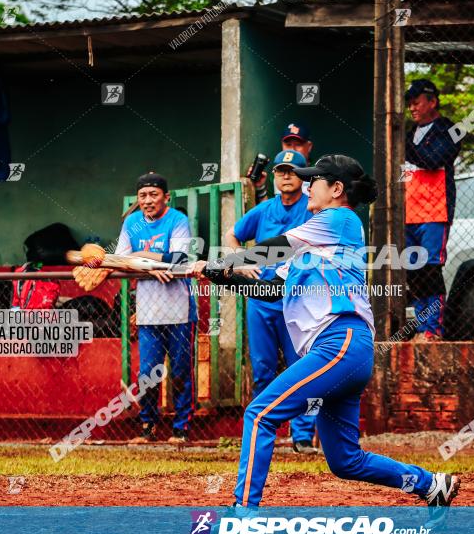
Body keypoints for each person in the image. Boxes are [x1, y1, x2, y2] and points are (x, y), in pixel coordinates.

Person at [192, 154, 459, 513]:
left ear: (336, 189)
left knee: (260, 413)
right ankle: (431, 485)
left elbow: (272, 250)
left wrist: (217, 263)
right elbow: (270, 290)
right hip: (344, 351)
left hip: (340, 342)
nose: (306, 186)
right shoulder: (317, 243)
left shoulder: (339, 219)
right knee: (345, 461)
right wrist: (222, 277)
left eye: (313, 180)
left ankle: (243, 511)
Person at [224, 150, 318, 454]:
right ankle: (264, 432)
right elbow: (232, 234)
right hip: (262, 298)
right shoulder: (265, 209)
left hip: (298, 299)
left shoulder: (313, 209)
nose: (286, 176)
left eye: (292, 171)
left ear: (304, 178)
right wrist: (240, 262)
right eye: (280, 171)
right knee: (263, 368)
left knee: (301, 367)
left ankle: (302, 436)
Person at [114, 172, 197, 443]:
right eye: (143, 196)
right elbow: (120, 261)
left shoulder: (178, 219)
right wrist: (154, 266)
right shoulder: (132, 223)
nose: (148, 200)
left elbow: (178, 257)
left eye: (153, 195)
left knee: (181, 370)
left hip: (179, 308)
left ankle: (181, 429)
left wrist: (143, 257)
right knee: (148, 371)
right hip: (148, 309)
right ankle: (148, 428)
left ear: (166, 197)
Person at [404, 79, 461, 342]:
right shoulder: (408, 131)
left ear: (432, 102)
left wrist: (402, 146)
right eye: (409, 103)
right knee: (413, 271)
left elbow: (433, 160)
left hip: (434, 210)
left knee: (430, 269)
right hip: (408, 210)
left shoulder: (448, 130)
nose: (412, 108)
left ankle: (433, 329)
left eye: (416, 102)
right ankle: (420, 326)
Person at [251, 123, 314, 203]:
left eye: (298, 145)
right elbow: (270, 210)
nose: (292, 149)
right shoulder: (275, 174)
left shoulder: (320, 172)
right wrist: (260, 188)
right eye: (288, 145)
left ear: (309, 146)